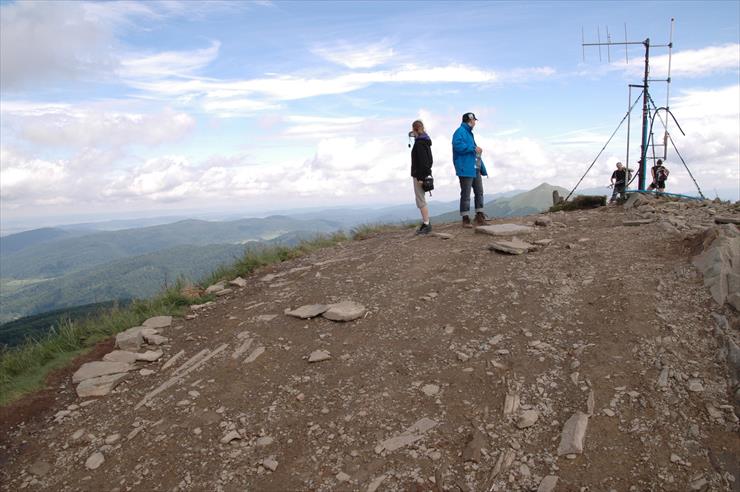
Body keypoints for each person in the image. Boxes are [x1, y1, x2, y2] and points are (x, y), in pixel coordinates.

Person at [452, 112, 488, 228]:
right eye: (474, 120)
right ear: (469, 120)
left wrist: (482, 168)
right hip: (465, 168)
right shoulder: (459, 132)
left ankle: (479, 215)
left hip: (474, 167)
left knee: (479, 192)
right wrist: (473, 148)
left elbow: (475, 153)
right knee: (466, 194)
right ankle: (465, 218)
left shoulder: (469, 133)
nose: (475, 123)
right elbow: (457, 146)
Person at [410, 120, 433, 235]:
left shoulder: (419, 143)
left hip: (420, 175)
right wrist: (428, 173)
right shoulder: (426, 141)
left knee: (420, 199)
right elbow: (429, 161)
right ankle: (426, 222)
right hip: (425, 174)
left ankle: (426, 224)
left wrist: (420, 177)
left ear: (414, 130)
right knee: (421, 199)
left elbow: (422, 162)